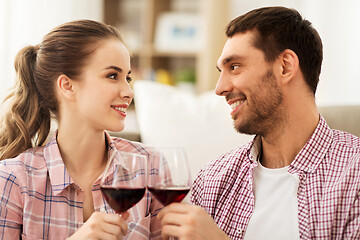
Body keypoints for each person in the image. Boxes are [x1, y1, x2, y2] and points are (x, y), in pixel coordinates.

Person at [157, 6, 360, 240]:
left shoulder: (353, 175)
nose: (219, 88)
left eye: (234, 67)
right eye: (221, 71)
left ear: (285, 66)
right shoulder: (211, 180)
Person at [0, 19, 162, 239]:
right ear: (68, 86)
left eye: (128, 78)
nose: (129, 92)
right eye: (112, 76)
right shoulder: (13, 180)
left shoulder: (150, 166)